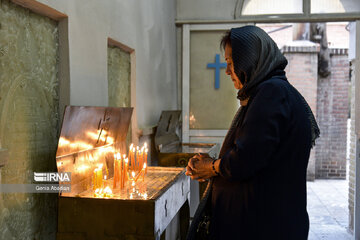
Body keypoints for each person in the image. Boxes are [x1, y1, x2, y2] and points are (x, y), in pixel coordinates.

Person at [185, 25, 320, 240]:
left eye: (230, 63)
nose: (227, 71)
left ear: (249, 59)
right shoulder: (272, 92)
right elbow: (257, 152)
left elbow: (245, 159)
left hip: (264, 227)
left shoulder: (271, 93)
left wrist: (211, 167)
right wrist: (214, 165)